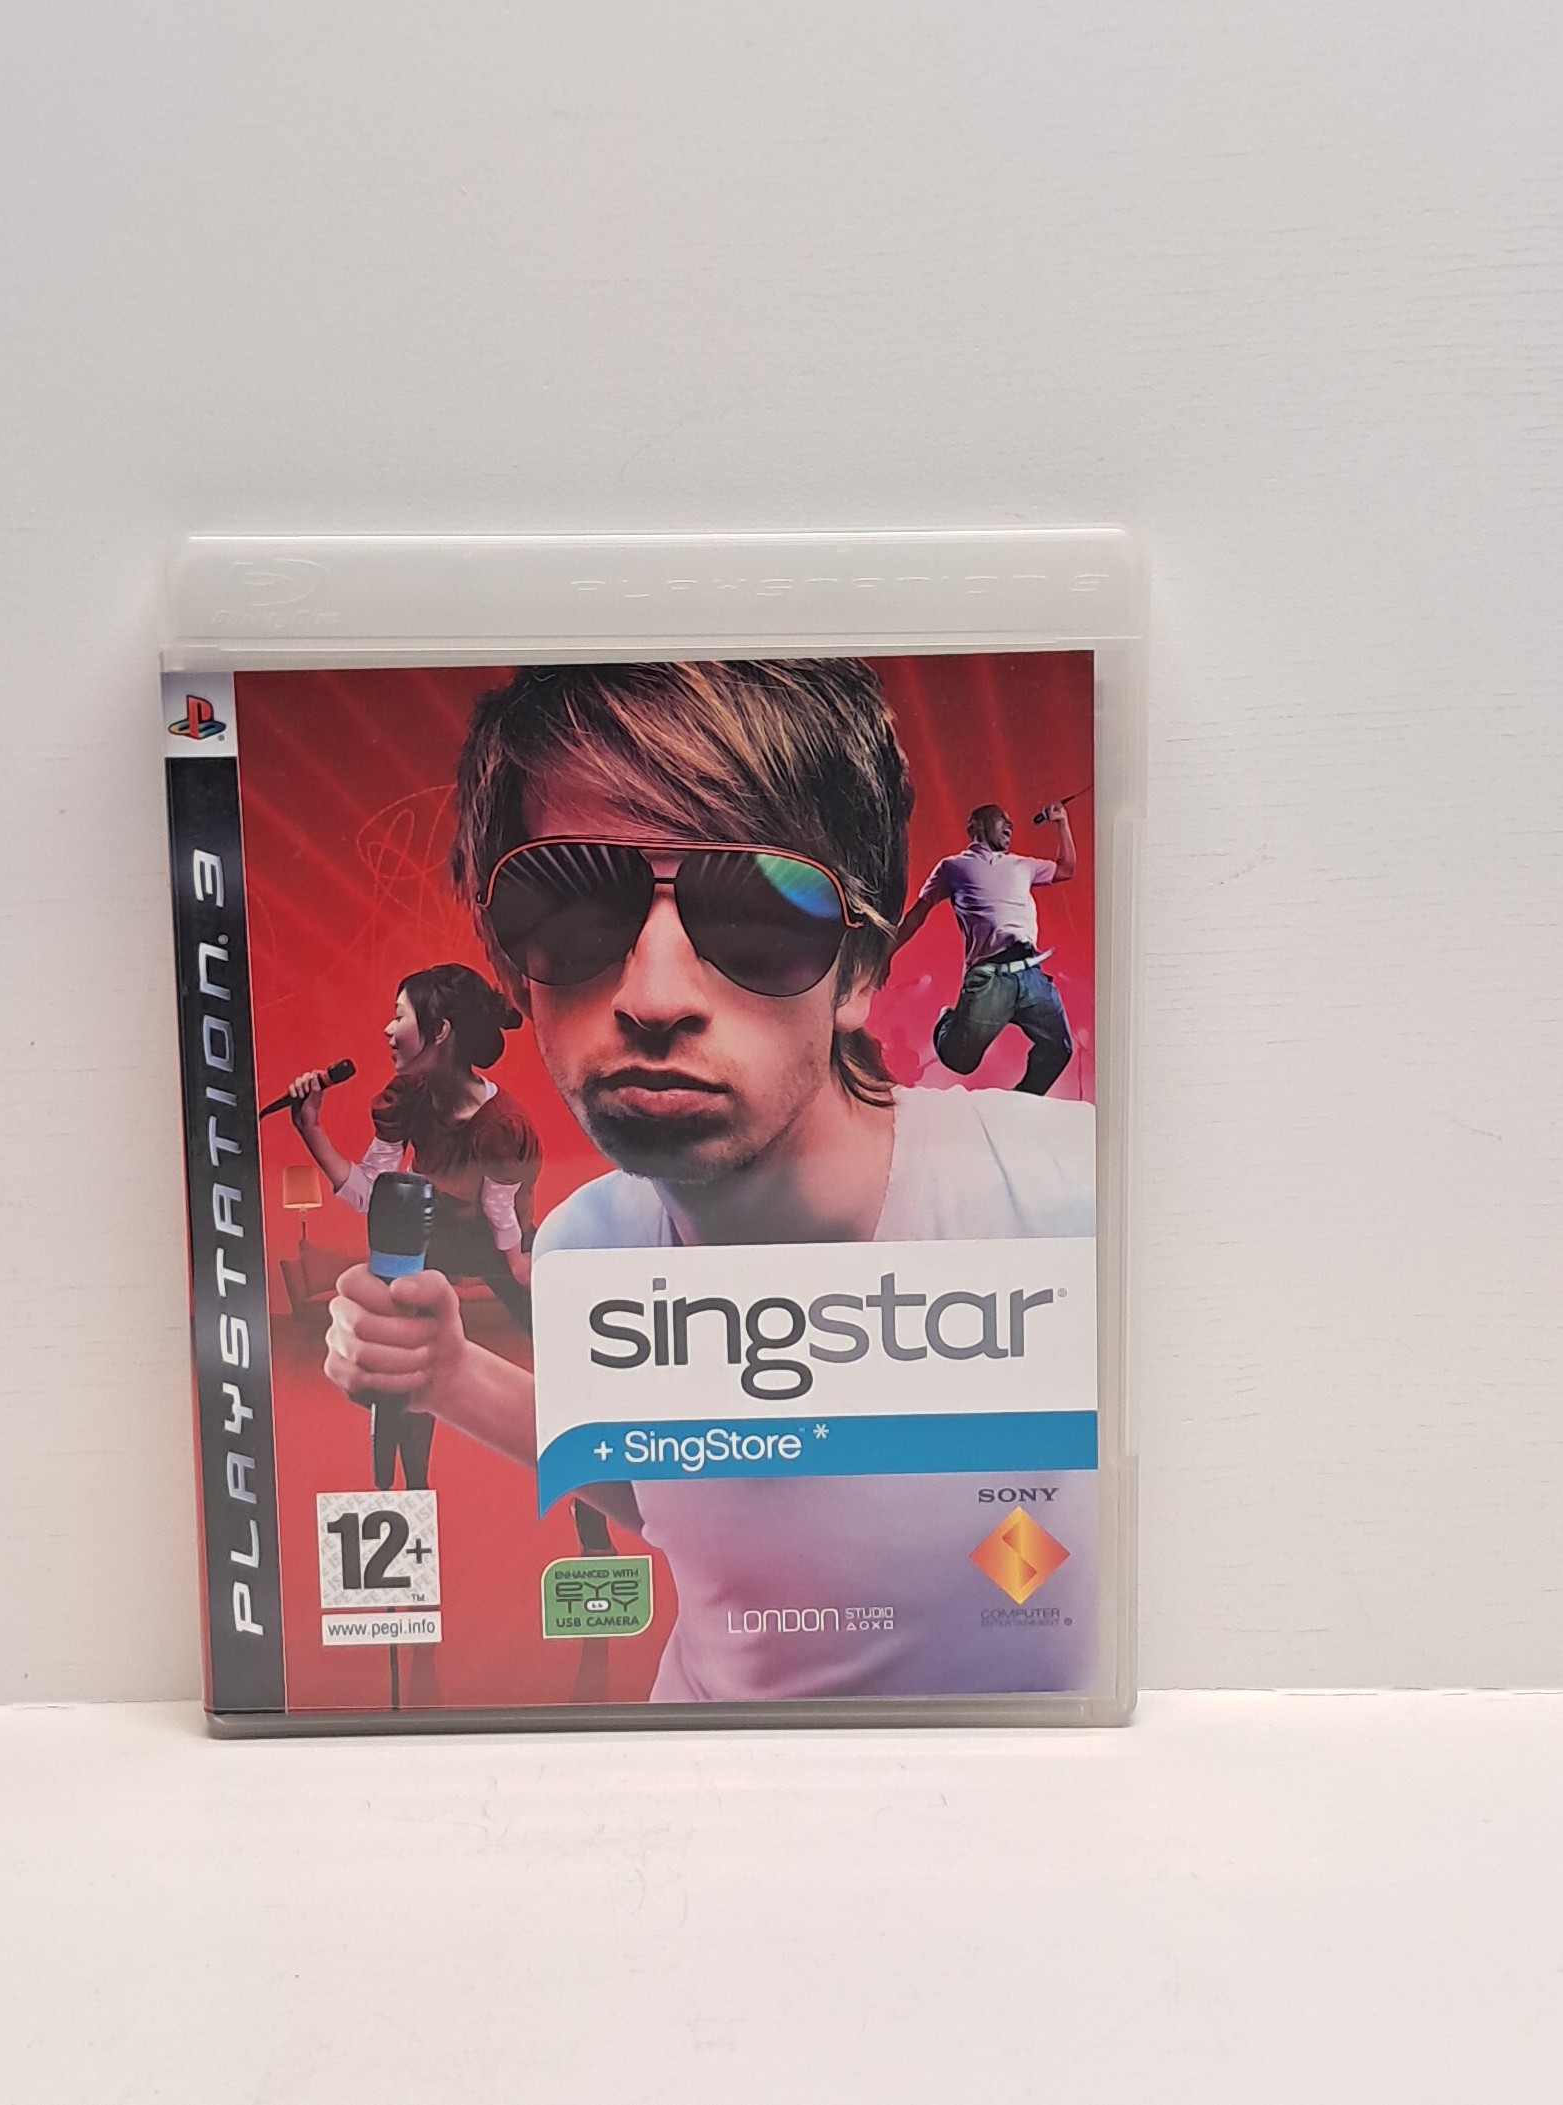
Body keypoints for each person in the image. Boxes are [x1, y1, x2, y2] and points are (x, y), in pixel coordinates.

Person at [321, 662, 1095, 1699]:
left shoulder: (1072, 1200)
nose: (652, 995)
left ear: (860, 971)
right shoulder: (587, 1247)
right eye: (572, 905)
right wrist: (450, 1373)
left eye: (758, 909)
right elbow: (676, 1497)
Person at [285, 963, 539, 1491]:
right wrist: (311, 1129)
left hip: (502, 1250)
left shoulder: (502, 1126)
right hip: (432, 1243)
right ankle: (403, 1489)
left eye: (398, 1016)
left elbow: (502, 1217)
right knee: (399, 1369)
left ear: (439, 1030)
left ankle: (588, 1492)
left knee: (560, 1352)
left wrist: (520, 1266)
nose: (387, 1029)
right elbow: (370, 1192)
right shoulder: (410, 1096)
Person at [892, 800, 1078, 1091]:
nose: (1010, 826)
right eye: (1001, 819)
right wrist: (887, 954)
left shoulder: (1022, 865)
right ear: (976, 826)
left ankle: (1019, 1102)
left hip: (1032, 975)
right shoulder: (953, 867)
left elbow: (1066, 869)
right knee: (959, 1060)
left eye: (1011, 823)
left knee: (1059, 1048)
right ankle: (949, 1020)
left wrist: (1062, 822)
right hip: (991, 979)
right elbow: (917, 914)